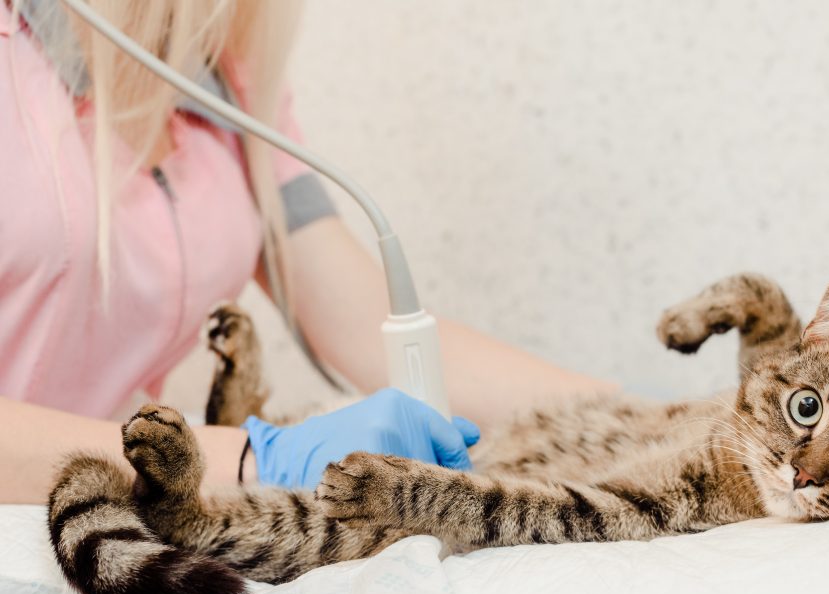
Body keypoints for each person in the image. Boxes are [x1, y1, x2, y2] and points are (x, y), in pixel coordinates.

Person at [0, 0, 614, 504]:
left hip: (90, 523)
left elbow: (369, 328)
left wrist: (646, 425)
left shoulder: (219, 80)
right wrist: (254, 461)